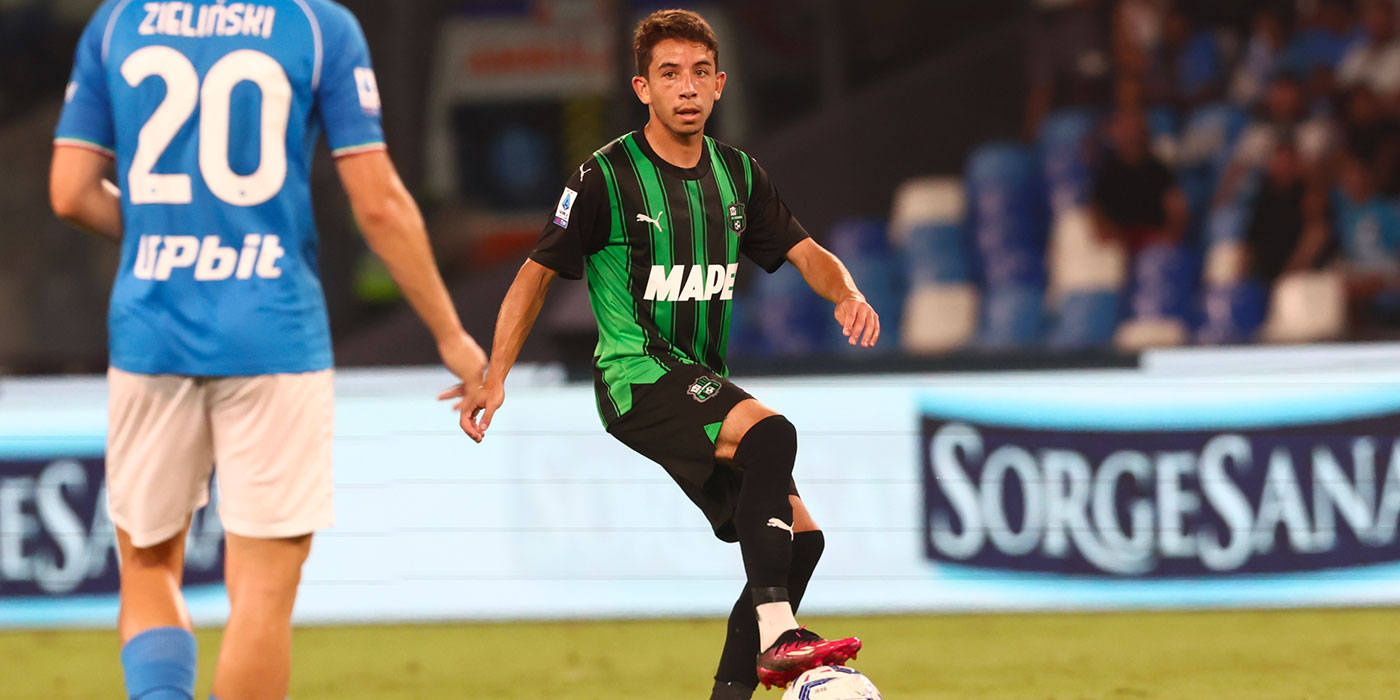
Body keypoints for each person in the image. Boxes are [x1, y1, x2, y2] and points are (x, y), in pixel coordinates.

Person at [49, 2, 485, 699]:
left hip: (151, 332)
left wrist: (163, 242)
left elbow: (70, 193)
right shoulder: (317, 25)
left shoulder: (119, 22)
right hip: (273, 332)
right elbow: (377, 203)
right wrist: (450, 334)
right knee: (260, 590)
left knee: (147, 563)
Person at [447, 9, 877, 698]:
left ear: (719, 84)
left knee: (804, 540)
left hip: (700, 382)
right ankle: (780, 634)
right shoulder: (605, 176)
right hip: (636, 378)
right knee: (773, 434)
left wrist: (846, 291)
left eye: (700, 73)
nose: (687, 88)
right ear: (643, 87)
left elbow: (805, 252)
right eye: (670, 74)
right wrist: (495, 375)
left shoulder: (739, 176)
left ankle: (735, 687)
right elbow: (533, 276)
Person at [1090, 107, 1188, 253]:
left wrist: (1166, 235)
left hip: (1152, 239)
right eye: (1125, 128)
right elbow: (1097, 211)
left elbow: (1176, 209)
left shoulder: (1158, 169)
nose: (1130, 134)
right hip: (1117, 240)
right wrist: (1115, 237)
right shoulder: (1106, 170)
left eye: (1134, 128)